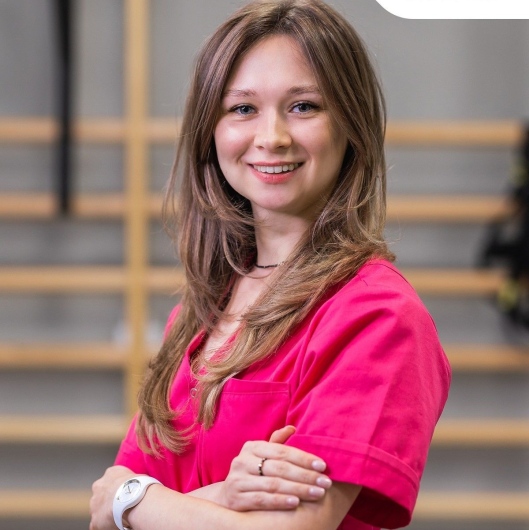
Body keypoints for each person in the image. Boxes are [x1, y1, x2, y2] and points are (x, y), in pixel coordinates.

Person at [89, 1, 451, 529]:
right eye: (242, 109)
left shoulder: (379, 317)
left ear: (350, 124)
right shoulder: (196, 317)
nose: (273, 136)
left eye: (303, 106)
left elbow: (285, 528)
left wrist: (135, 500)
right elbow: (104, 515)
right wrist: (214, 496)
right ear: (210, 132)